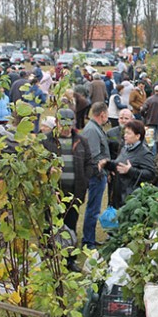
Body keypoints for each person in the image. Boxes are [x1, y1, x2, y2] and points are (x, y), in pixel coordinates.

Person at [41, 109, 93, 272]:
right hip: (54, 195)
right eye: (63, 124)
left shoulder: (81, 141)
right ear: (56, 123)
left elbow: (89, 163)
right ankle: (49, 259)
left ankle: (69, 260)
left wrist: (84, 182)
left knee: (70, 227)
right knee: (50, 227)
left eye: (69, 125)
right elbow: (40, 168)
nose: (66, 128)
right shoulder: (46, 142)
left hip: (74, 194)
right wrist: (50, 189)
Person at [99, 120, 155, 209]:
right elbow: (119, 164)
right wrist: (108, 164)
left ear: (137, 136)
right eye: (125, 133)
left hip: (133, 199)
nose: (125, 136)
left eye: (128, 133)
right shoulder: (125, 148)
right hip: (119, 196)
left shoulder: (144, 153)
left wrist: (130, 171)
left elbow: (151, 174)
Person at [81, 102, 110, 249]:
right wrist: (105, 166)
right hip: (96, 176)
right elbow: (93, 156)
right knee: (93, 209)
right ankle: (88, 241)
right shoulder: (92, 130)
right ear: (102, 114)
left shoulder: (95, 128)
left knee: (94, 208)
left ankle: (89, 238)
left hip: (99, 175)